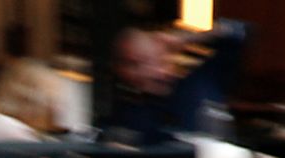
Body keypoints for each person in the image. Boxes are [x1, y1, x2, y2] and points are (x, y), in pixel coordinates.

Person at [102, 20, 247, 145]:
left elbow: (241, 32)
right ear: (123, 72)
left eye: (152, 59)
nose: (150, 69)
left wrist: (188, 37)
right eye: (134, 64)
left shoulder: (203, 80)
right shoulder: (127, 115)